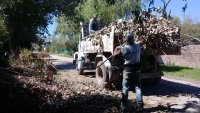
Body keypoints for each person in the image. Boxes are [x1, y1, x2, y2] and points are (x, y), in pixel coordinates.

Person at [112, 33, 145, 112]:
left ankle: (123, 105)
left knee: (125, 88)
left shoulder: (124, 49)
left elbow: (114, 55)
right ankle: (140, 105)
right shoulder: (137, 45)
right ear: (133, 39)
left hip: (128, 71)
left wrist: (117, 48)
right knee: (138, 87)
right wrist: (142, 37)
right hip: (137, 70)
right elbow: (142, 41)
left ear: (127, 41)